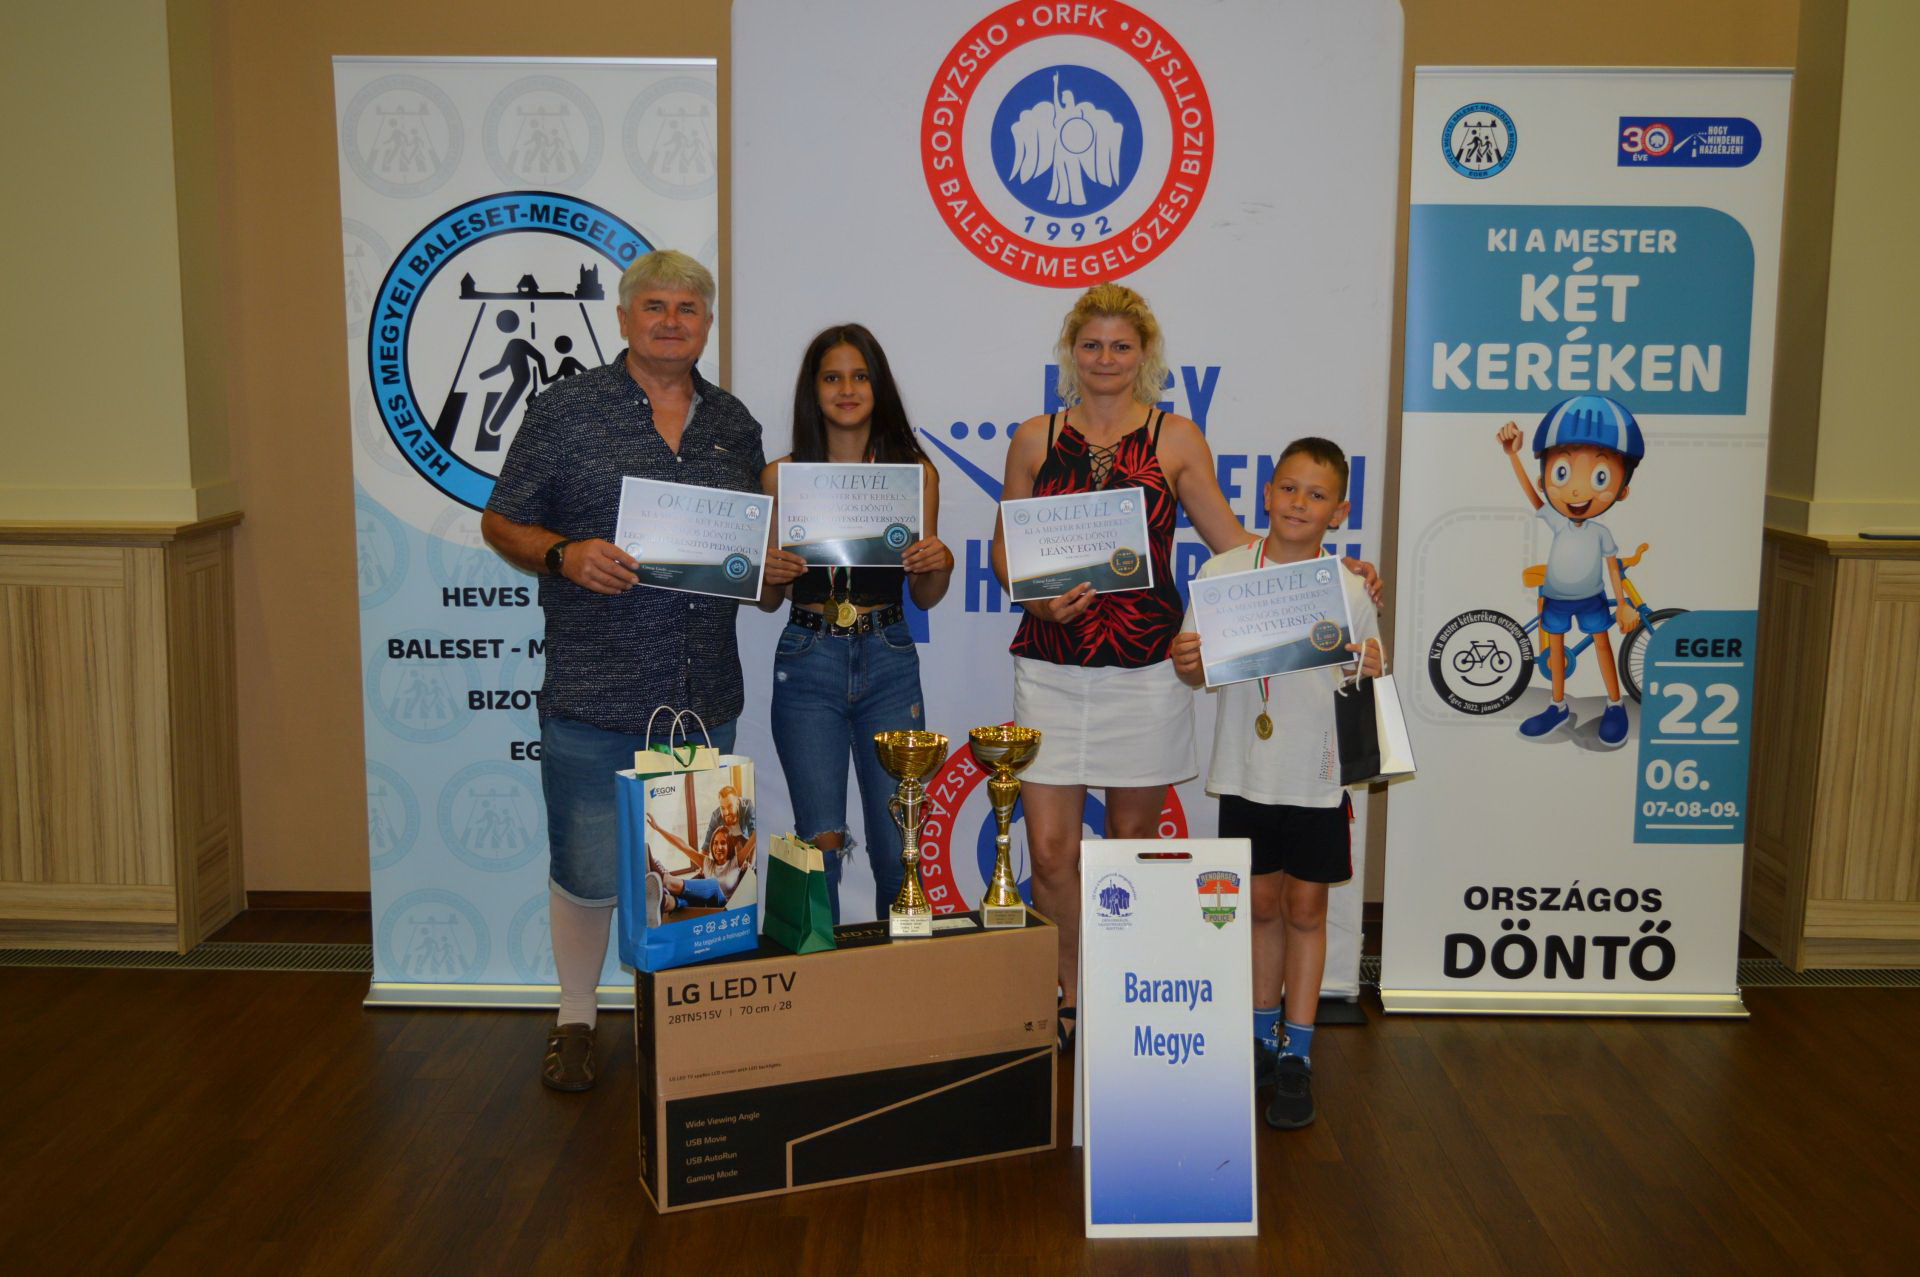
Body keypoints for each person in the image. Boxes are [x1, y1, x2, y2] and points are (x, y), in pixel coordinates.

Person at [990, 283, 1380, 1049]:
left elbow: (1237, 546)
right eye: (1092, 344)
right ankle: (1066, 994)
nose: (1106, 359)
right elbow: (1007, 547)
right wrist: (1035, 599)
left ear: (1146, 355)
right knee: (1050, 853)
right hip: (1051, 664)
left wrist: (1329, 574)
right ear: (1072, 352)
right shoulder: (1035, 438)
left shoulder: (1176, 438)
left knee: (1129, 847)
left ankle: (1115, 994)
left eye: (1121, 345)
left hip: (1146, 669)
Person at [479, 249, 764, 1093]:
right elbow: (502, 521)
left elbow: (745, 549)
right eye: (655, 306)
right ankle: (575, 1016)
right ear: (624, 317)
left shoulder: (735, 423)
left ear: (707, 323)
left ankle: (678, 1023)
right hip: (594, 690)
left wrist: (768, 568)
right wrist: (563, 554)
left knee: (697, 875)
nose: (672, 321)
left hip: (703, 695)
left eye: (688, 308)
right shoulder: (565, 410)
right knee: (588, 868)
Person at [1171, 436, 1383, 1130]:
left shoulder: (1349, 586)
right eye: (1288, 488)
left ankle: (1298, 1052)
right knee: (1260, 906)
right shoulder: (1224, 571)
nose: (1298, 503)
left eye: (1316, 495)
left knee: (1306, 911)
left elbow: (1366, 679)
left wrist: (1370, 665)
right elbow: (1195, 669)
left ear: (1339, 511)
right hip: (1246, 769)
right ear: (1266, 493)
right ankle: (1260, 1040)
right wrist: (1186, 660)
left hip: (1317, 775)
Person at [758, 324, 955, 921]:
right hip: (807, 655)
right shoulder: (780, 476)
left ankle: (900, 973)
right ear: (812, 390)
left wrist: (939, 563)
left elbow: (927, 596)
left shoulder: (916, 474)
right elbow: (767, 602)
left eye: (860, 376)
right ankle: (825, 975)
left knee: (900, 847)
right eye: (832, 377)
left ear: (879, 386)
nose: (847, 389)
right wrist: (768, 573)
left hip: (889, 655)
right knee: (818, 843)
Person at [1496, 395, 1645, 746]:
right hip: (1556, 598)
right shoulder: (1557, 520)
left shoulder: (1601, 533)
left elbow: (1612, 569)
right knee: (1556, 649)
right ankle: (1557, 705)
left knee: (1602, 646)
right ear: (1543, 479)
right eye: (1561, 472)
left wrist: (1623, 603)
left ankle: (1614, 705)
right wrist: (1513, 455)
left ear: (1622, 491)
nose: (1576, 489)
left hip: (1592, 597)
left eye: (1600, 476)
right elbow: (1532, 497)